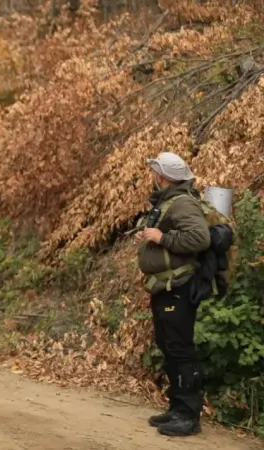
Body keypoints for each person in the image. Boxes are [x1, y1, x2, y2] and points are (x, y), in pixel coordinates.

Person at [136, 152, 210, 437]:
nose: (153, 176)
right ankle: (177, 407)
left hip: (179, 287)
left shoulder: (182, 203)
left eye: (156, 172)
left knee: (180, 348)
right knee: (169, 346)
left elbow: (199, 238)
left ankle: (188, 416)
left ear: (163, 177)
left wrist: (161, 238)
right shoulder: (170, 201)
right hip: (165, 286)